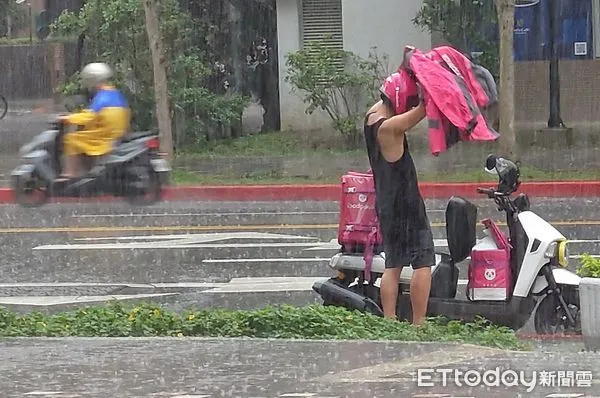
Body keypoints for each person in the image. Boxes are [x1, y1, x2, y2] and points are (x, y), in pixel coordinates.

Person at [363, 72, 433, 326]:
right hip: (407, 205)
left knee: (393, 265)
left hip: (386, 204)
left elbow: (394, 97)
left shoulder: (372, 116)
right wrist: (431, 91)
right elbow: (424, 110)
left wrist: (411, 69)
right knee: (422, 261)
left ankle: (390, 320)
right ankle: (419, 323)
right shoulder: (391, 129)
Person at [56, 62, 131, 181]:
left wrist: (67, 118)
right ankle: (86, 170)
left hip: (104, 137)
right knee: (83, 135)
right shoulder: (114, 93)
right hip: (115, 134)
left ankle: (70, 173)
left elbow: (88, 117)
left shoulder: (102, 97)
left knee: (71, 139)